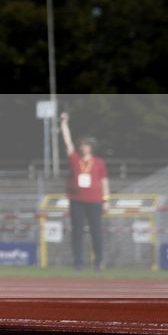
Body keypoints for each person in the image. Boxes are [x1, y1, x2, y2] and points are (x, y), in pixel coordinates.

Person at [59, 111, 107, 270]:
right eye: (81, 145)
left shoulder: (99, 162)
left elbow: (104, 181)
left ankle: (98, 261)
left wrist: (106, 200)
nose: (83, 147)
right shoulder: (74, 159)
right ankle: (78, 262)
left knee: (96, 233)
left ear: (91, 148)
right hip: (76, 200)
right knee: (77, 233)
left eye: (86, 145)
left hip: (94, 200)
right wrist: (64, 123)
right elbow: (67, 142)